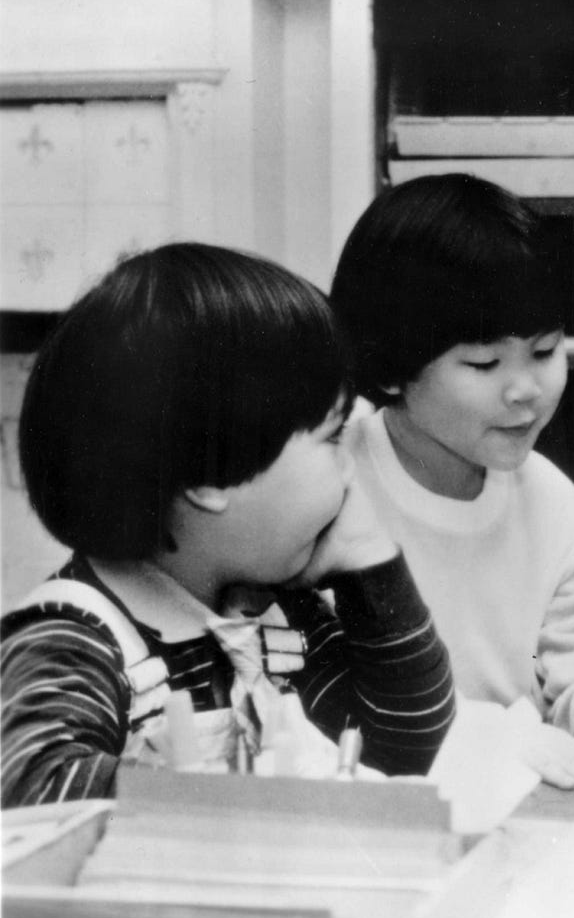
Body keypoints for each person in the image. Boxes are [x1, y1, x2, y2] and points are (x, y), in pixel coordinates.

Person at [1, 244, 456, 808]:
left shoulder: (280, 611)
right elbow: (33, 790)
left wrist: (370, 561)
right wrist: (239, 797)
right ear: (211, 477)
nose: (350, 473)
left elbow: (400, 749)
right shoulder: (72, 637)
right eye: (333, 437)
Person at [329, 173, 574, 790]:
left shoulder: (554, 509)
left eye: (544, 352)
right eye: (484, 363)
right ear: (389, 368)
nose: (526, 390)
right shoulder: (330, 486)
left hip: (514, 806)